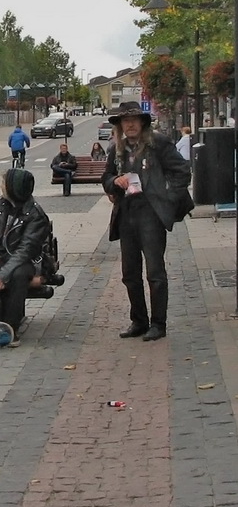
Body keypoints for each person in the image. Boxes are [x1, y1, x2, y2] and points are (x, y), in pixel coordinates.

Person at [102, 101, 191, 342]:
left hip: (150, 215)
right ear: (120, 125)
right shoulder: (116, 149)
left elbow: (182, 172)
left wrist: (167, 199)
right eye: (125, 121)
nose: (130, 124)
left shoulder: (158, 144)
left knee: (155, 272)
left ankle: (158, 324)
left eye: (134, 120)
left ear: (142, 122)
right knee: (130, 273)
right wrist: (114, 183)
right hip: (127, 214)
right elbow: (107, 177)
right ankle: (138, 321)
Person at [0, 168, 50, 346]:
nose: (1, 186)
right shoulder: (0, 206)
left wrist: (4, 273)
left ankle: (10, 328)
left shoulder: (35, 215)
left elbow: (26, 250)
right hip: (1, 257)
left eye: (4, 183)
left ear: (14, 187)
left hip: (26, 262)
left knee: (17, 276)